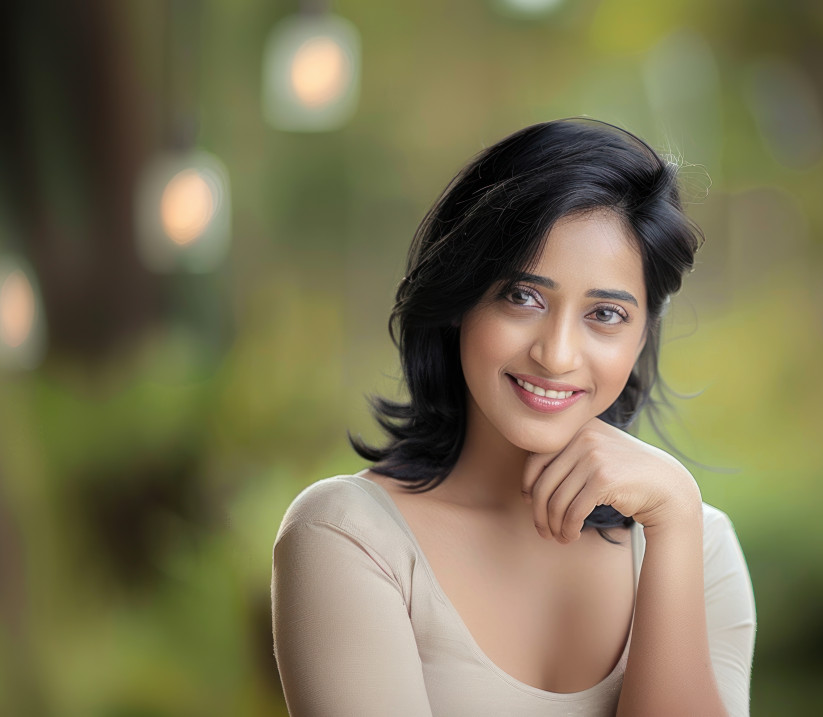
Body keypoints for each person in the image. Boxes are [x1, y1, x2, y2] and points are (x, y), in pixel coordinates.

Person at [270, 117, 757, 716]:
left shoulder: (697, 546)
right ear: (459, 299)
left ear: (641, 338)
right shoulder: (350, 538)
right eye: (522, 297)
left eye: (604, 314)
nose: (555, 354)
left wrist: (676, 516)